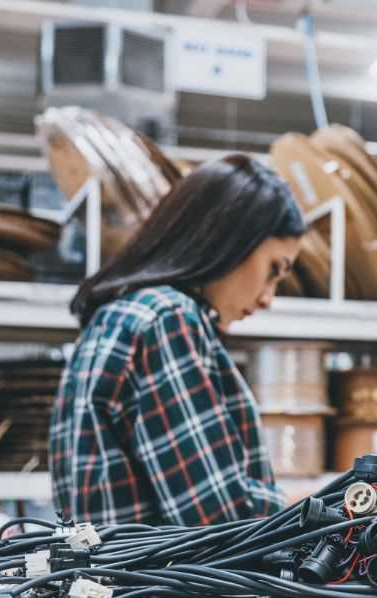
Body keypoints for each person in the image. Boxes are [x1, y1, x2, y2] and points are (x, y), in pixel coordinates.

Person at [49, 154, 307, 526]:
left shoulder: (123, 314)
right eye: (273, 270)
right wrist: (334, 508)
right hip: (165, 583)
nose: (268, 297)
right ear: (230, 239)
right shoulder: (167, 319)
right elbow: (220, 522)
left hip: (121, 580)